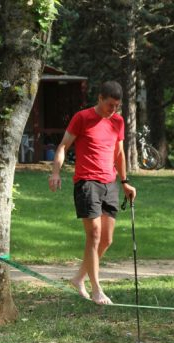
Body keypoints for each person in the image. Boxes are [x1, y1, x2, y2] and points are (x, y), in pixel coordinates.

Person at [48, 80, 137, 305]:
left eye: (117, 106)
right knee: (94, 234)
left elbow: (118, 153)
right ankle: (97, 288)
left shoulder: (117, 121)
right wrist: (55, 173)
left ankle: (78, 278)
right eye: (110, 105)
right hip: (87, 182)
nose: (113, 110)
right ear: (100, 98)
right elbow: (63, 146)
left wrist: (125, 181)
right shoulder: (82, 118)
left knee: (106, 239)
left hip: (110, 183)